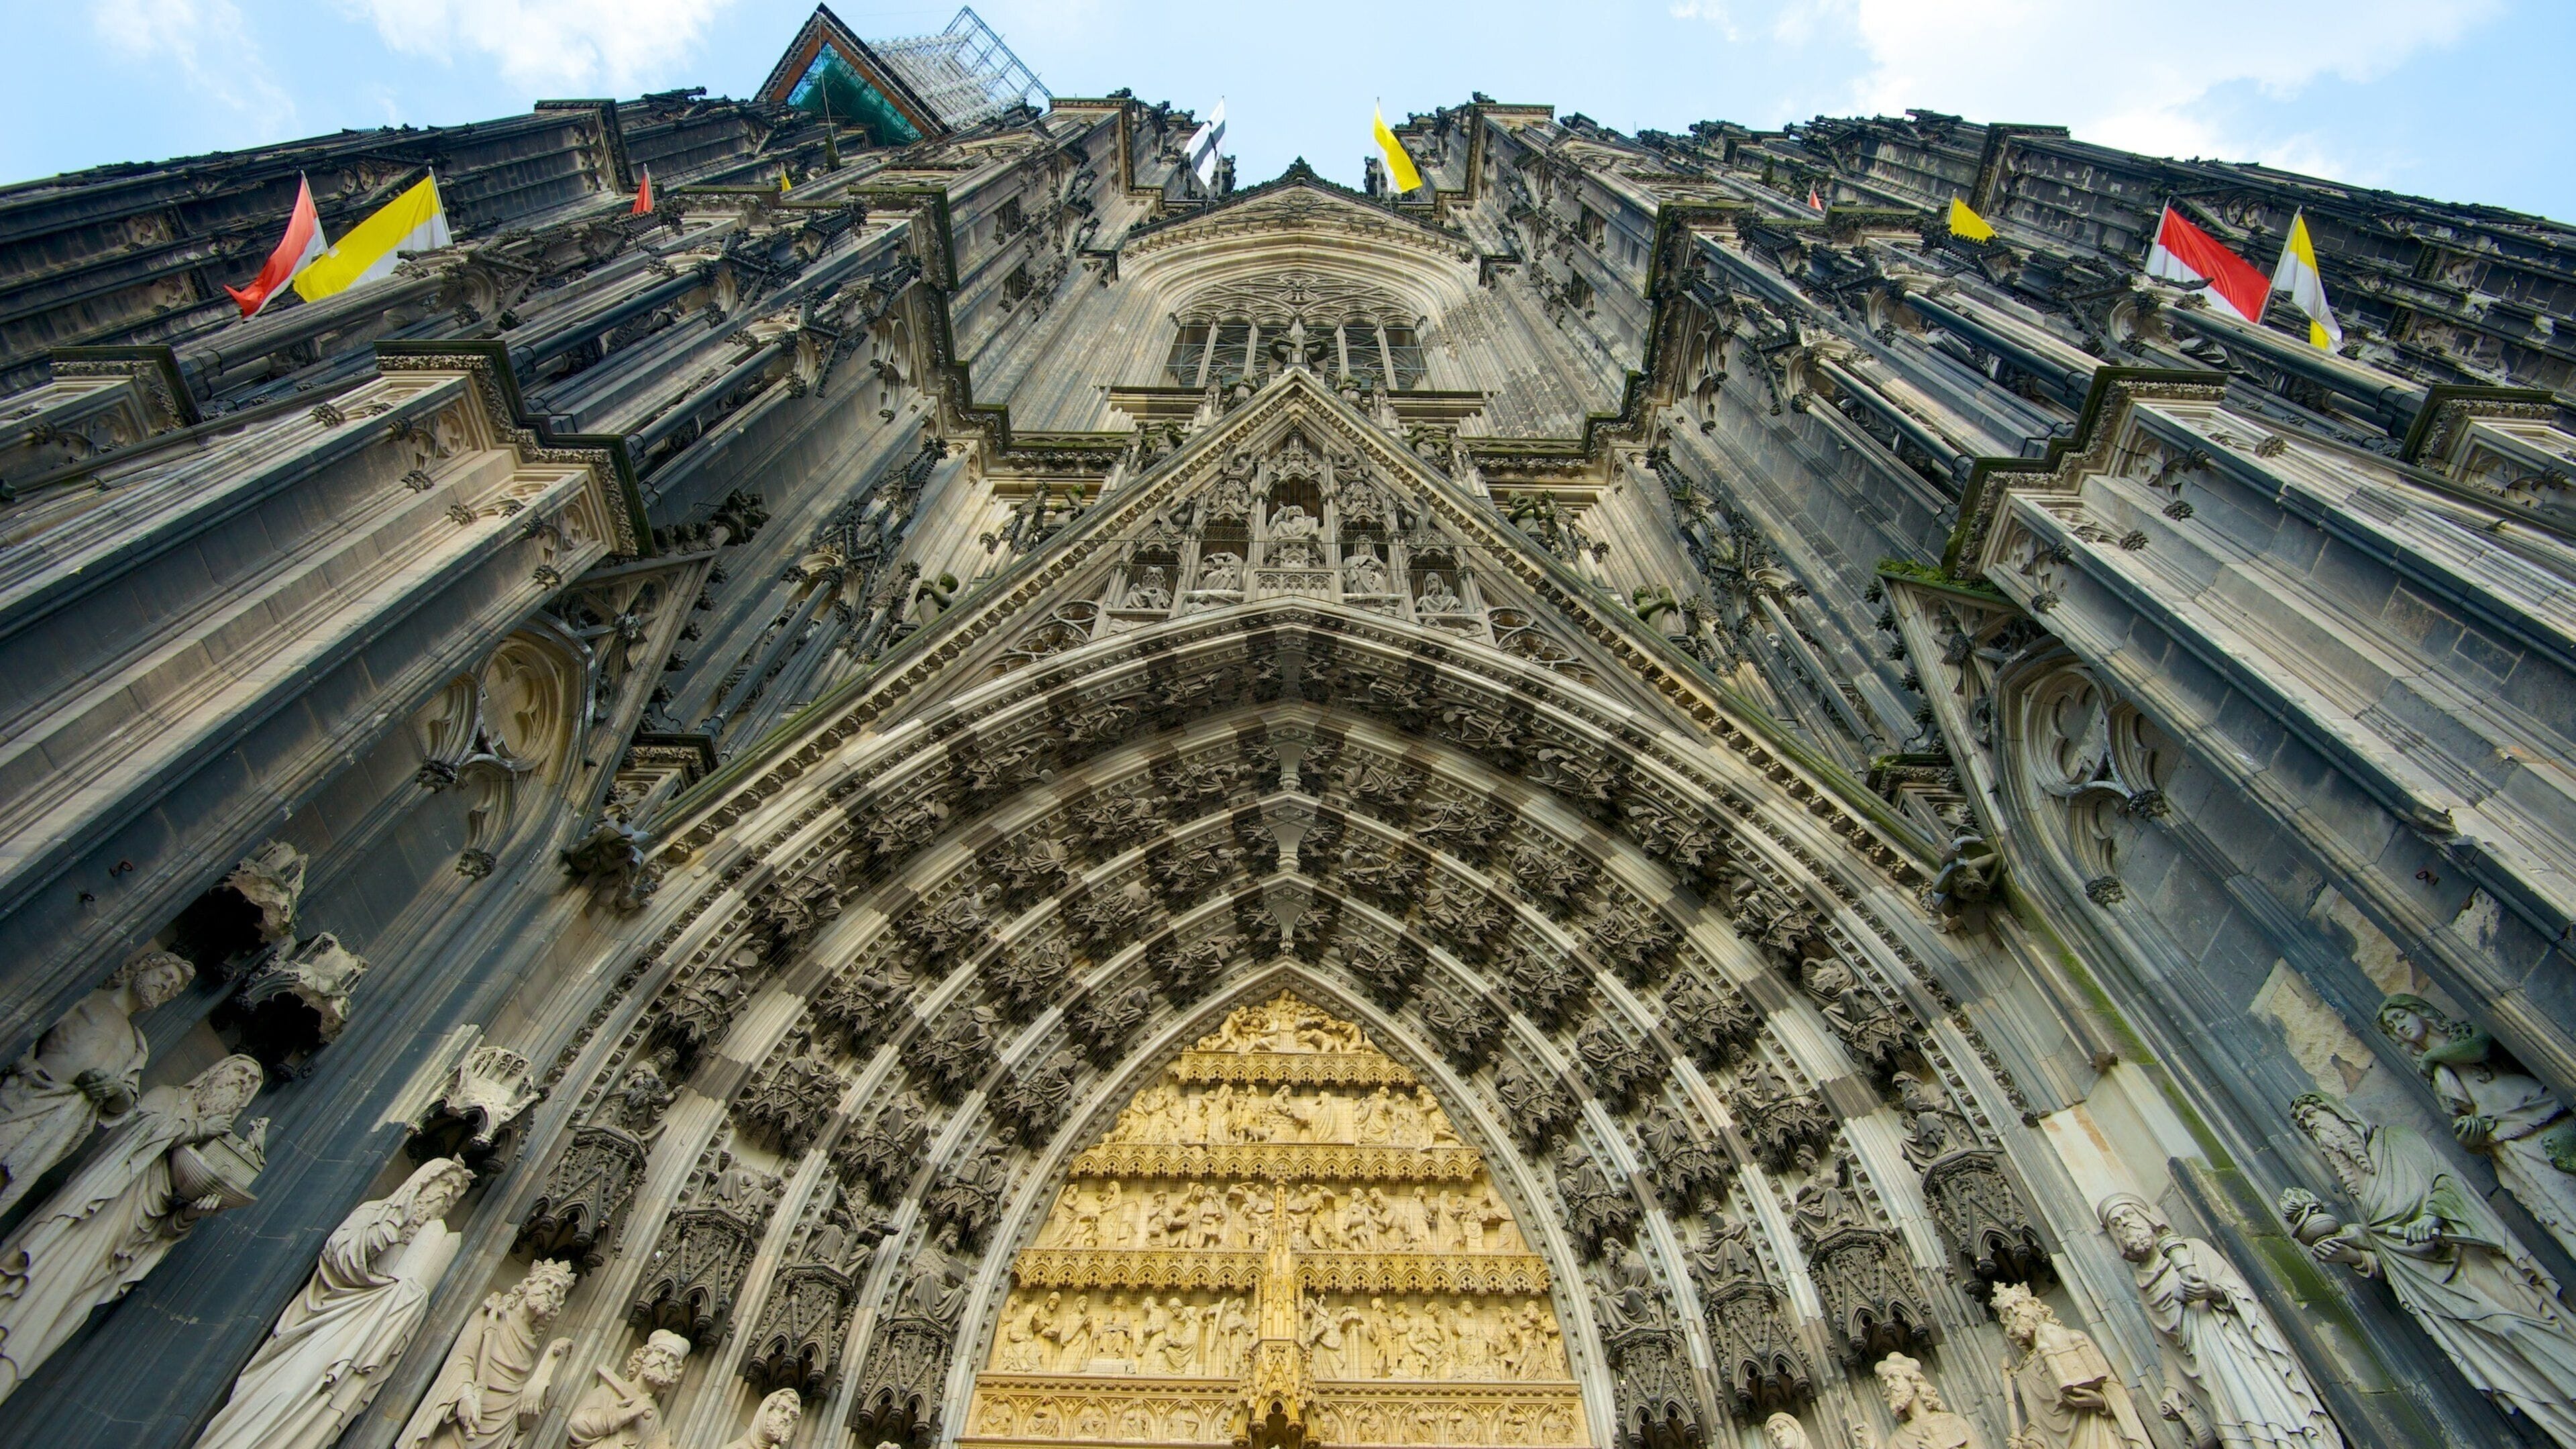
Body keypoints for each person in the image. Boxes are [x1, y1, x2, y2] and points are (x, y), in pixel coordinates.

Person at [2288, 1093, 2576, 1449]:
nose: (2315, 1130)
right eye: (2307, 1127)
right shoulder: (2359, 1190)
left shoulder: (2397, 1141)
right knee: (2502, 1359)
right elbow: (2388, 1251)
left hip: (2467, 1260)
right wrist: (2350, 1253)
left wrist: (2430, 1218)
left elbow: (2446, 1183)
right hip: (2432, 1291)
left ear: (2340, 1114)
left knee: (2517, 1325)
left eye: (2315, 1117)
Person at [0, 1054, 265, 1403]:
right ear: (217, 1071)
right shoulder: (169, 1098)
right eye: (240, 1071)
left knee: (59, 1306)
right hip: (96, 1210)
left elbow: (164, 1229)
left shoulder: (216, 1146)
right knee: (44, 1277)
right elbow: (140, 1130)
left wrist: (191, 1215)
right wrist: (199, 1129)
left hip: (125, 1243)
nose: (243, 1081)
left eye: (251, 1083)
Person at [195, 1157, 477, 1449]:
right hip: (330, 1320)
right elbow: (337, 1256)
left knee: (325, 1409)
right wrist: (383, 1234)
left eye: (455, 1192)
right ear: (423, 1182)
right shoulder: (375, 1213)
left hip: (368, 1339)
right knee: (286, 1391)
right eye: (445, 1183)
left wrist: (410, 1298)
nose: (448, 1194)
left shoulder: (430, 1241)